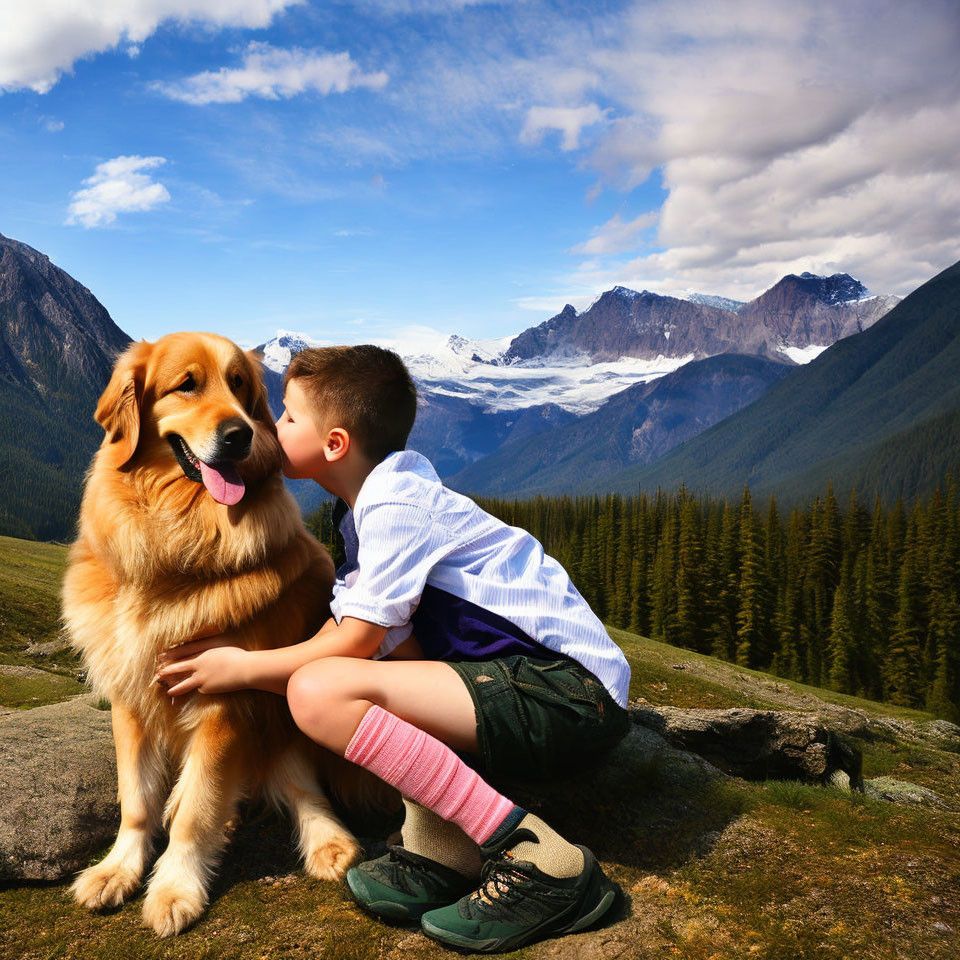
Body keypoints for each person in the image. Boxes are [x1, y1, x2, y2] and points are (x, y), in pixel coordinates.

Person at [155, 344, 632, 953]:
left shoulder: (397, 509)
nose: (267, 427)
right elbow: (373, 640)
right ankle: (443, 844)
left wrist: (244, 667)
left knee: (317, 690)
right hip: (528, 688)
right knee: (364, 674)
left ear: (334, 445)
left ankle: (544, 865)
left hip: (567, 693)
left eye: (288, 418)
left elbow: (353, 643)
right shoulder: (368, 509)